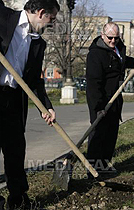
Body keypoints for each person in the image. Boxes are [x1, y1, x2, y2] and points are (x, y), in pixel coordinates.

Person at [0, 0, 59, 208]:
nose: (51, 24)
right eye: (51, 19)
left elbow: (35, 80)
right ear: (41, 13)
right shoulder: (5, 17)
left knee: (15, 150)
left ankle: (17, 199)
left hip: (15, 99)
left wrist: (46, 106)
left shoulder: (38, 43)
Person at [86, 22, 134, 174]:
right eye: (110, 38)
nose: (113, 41)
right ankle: (92, 169)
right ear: (102, 35)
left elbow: (121, 62)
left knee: (111, 133)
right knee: (98, 134)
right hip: (101, 101)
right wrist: (98, 107)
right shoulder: (96, 54)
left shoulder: (118, 48)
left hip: (115, 99)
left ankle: (104, 164)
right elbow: (93, 84)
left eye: (116, 38)